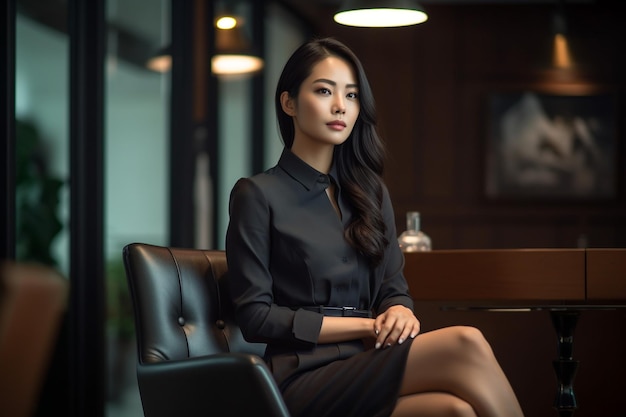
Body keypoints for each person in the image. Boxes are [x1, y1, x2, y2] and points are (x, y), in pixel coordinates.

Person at [226, 37, 525, 417]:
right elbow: (257, 318)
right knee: (466, 342)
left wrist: (400, 310)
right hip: (301, 376)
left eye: (351, 96)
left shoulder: (370, 194)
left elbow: (393, 289)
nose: (340, 107)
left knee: (454, 411)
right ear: (288, 103)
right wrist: (367, 326)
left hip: (367, 361)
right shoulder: (257, 194)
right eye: (323, 91)